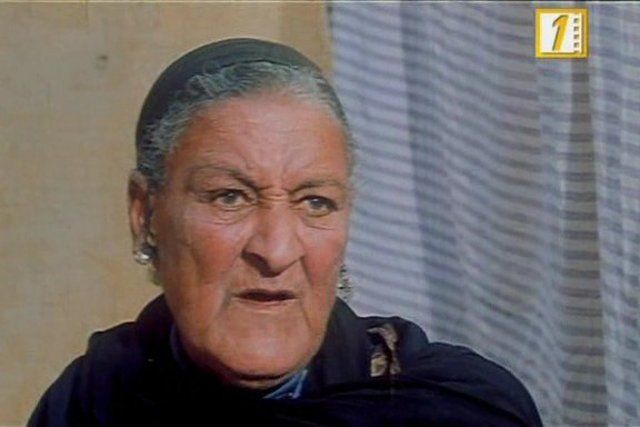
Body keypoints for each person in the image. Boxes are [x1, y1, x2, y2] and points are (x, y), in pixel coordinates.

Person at [29, 38, 542, 426]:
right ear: (145, 214)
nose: (276, 251)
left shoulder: (458, 410)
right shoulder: (90, 401)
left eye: (315, 203)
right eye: (230, 197)